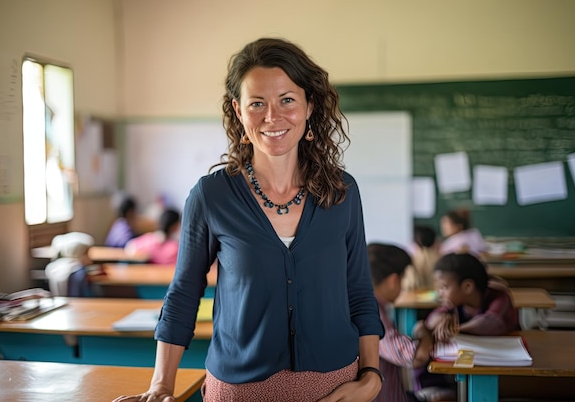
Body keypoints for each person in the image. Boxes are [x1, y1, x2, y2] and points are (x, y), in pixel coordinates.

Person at [112, 37, 384, 402]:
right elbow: (183, 295)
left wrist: (371, 376)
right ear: (238, 111)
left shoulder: (342, 192)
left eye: (287, 99)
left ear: (309, 106)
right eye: (257, 103)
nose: (272, 117)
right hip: (239, 391)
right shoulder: (211, 196)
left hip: (336, 388)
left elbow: (360, 292)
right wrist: (161, 386)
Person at [415, 252, 520, 401]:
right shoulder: (454, 304)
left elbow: (491, 322)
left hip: (505, 368)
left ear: (467, 286)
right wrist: (442, 319)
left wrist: (456, 328)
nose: (440, 294)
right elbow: (432, 319)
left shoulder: (499, 297)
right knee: (421, 331)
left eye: (444, 287)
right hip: (470, 364)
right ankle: (433, 389)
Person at [367, 243, 434, 402]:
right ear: (393, 280)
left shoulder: (360, 301)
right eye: (403, 279)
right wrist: (421, 330)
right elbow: (417, 356)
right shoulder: (371, 311)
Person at [45, 232, 105, 297]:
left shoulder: (55, 267)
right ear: (78, 253)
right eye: (86, 254)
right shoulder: (79, 272)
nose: (89, 259)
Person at [401, 225, 441, 291]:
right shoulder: (442, 258)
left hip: (416, 297)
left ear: (415, 242)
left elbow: (409, 285)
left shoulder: (412, 260)